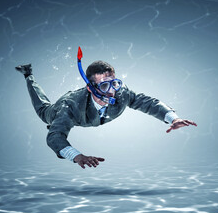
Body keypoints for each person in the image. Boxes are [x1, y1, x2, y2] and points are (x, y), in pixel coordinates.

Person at [15, 61, 197, 169]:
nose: (112, 92)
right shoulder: (69, 106)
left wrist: (174, 118)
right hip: (60, 110)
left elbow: (146, 102)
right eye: (104, 86)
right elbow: (54, 136)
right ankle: (28, 74)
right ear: (91, 87)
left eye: (114, 83)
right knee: (42, 110)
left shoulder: (122, 92)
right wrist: (76, 156)